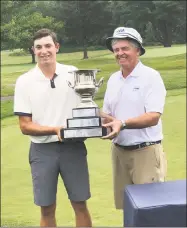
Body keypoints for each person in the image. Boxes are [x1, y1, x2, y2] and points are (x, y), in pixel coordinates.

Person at [14, 28, 92, 227]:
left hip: (72, 147)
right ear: (33, 50)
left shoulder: (73, 72)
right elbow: (25, 125)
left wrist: (107, 120)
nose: (43, 51)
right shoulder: (24, 81)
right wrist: (55, 129)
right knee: (47, 208)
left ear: (57, 47)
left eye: (48, 46)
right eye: (38, 47)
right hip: (42, 151)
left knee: (80, 203)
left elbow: (86, 107)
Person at [101, 27, 167, 210]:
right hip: (119, 152)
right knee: (127, 209)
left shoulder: (151, 77)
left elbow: (153, 116)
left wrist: (122, 123)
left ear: (137, 50)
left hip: (145, 152)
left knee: (150, 210)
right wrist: (90, 115)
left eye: (125, 48)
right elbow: (109, 116)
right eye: (116, 50)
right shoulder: (113, 79)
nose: (120, 53)